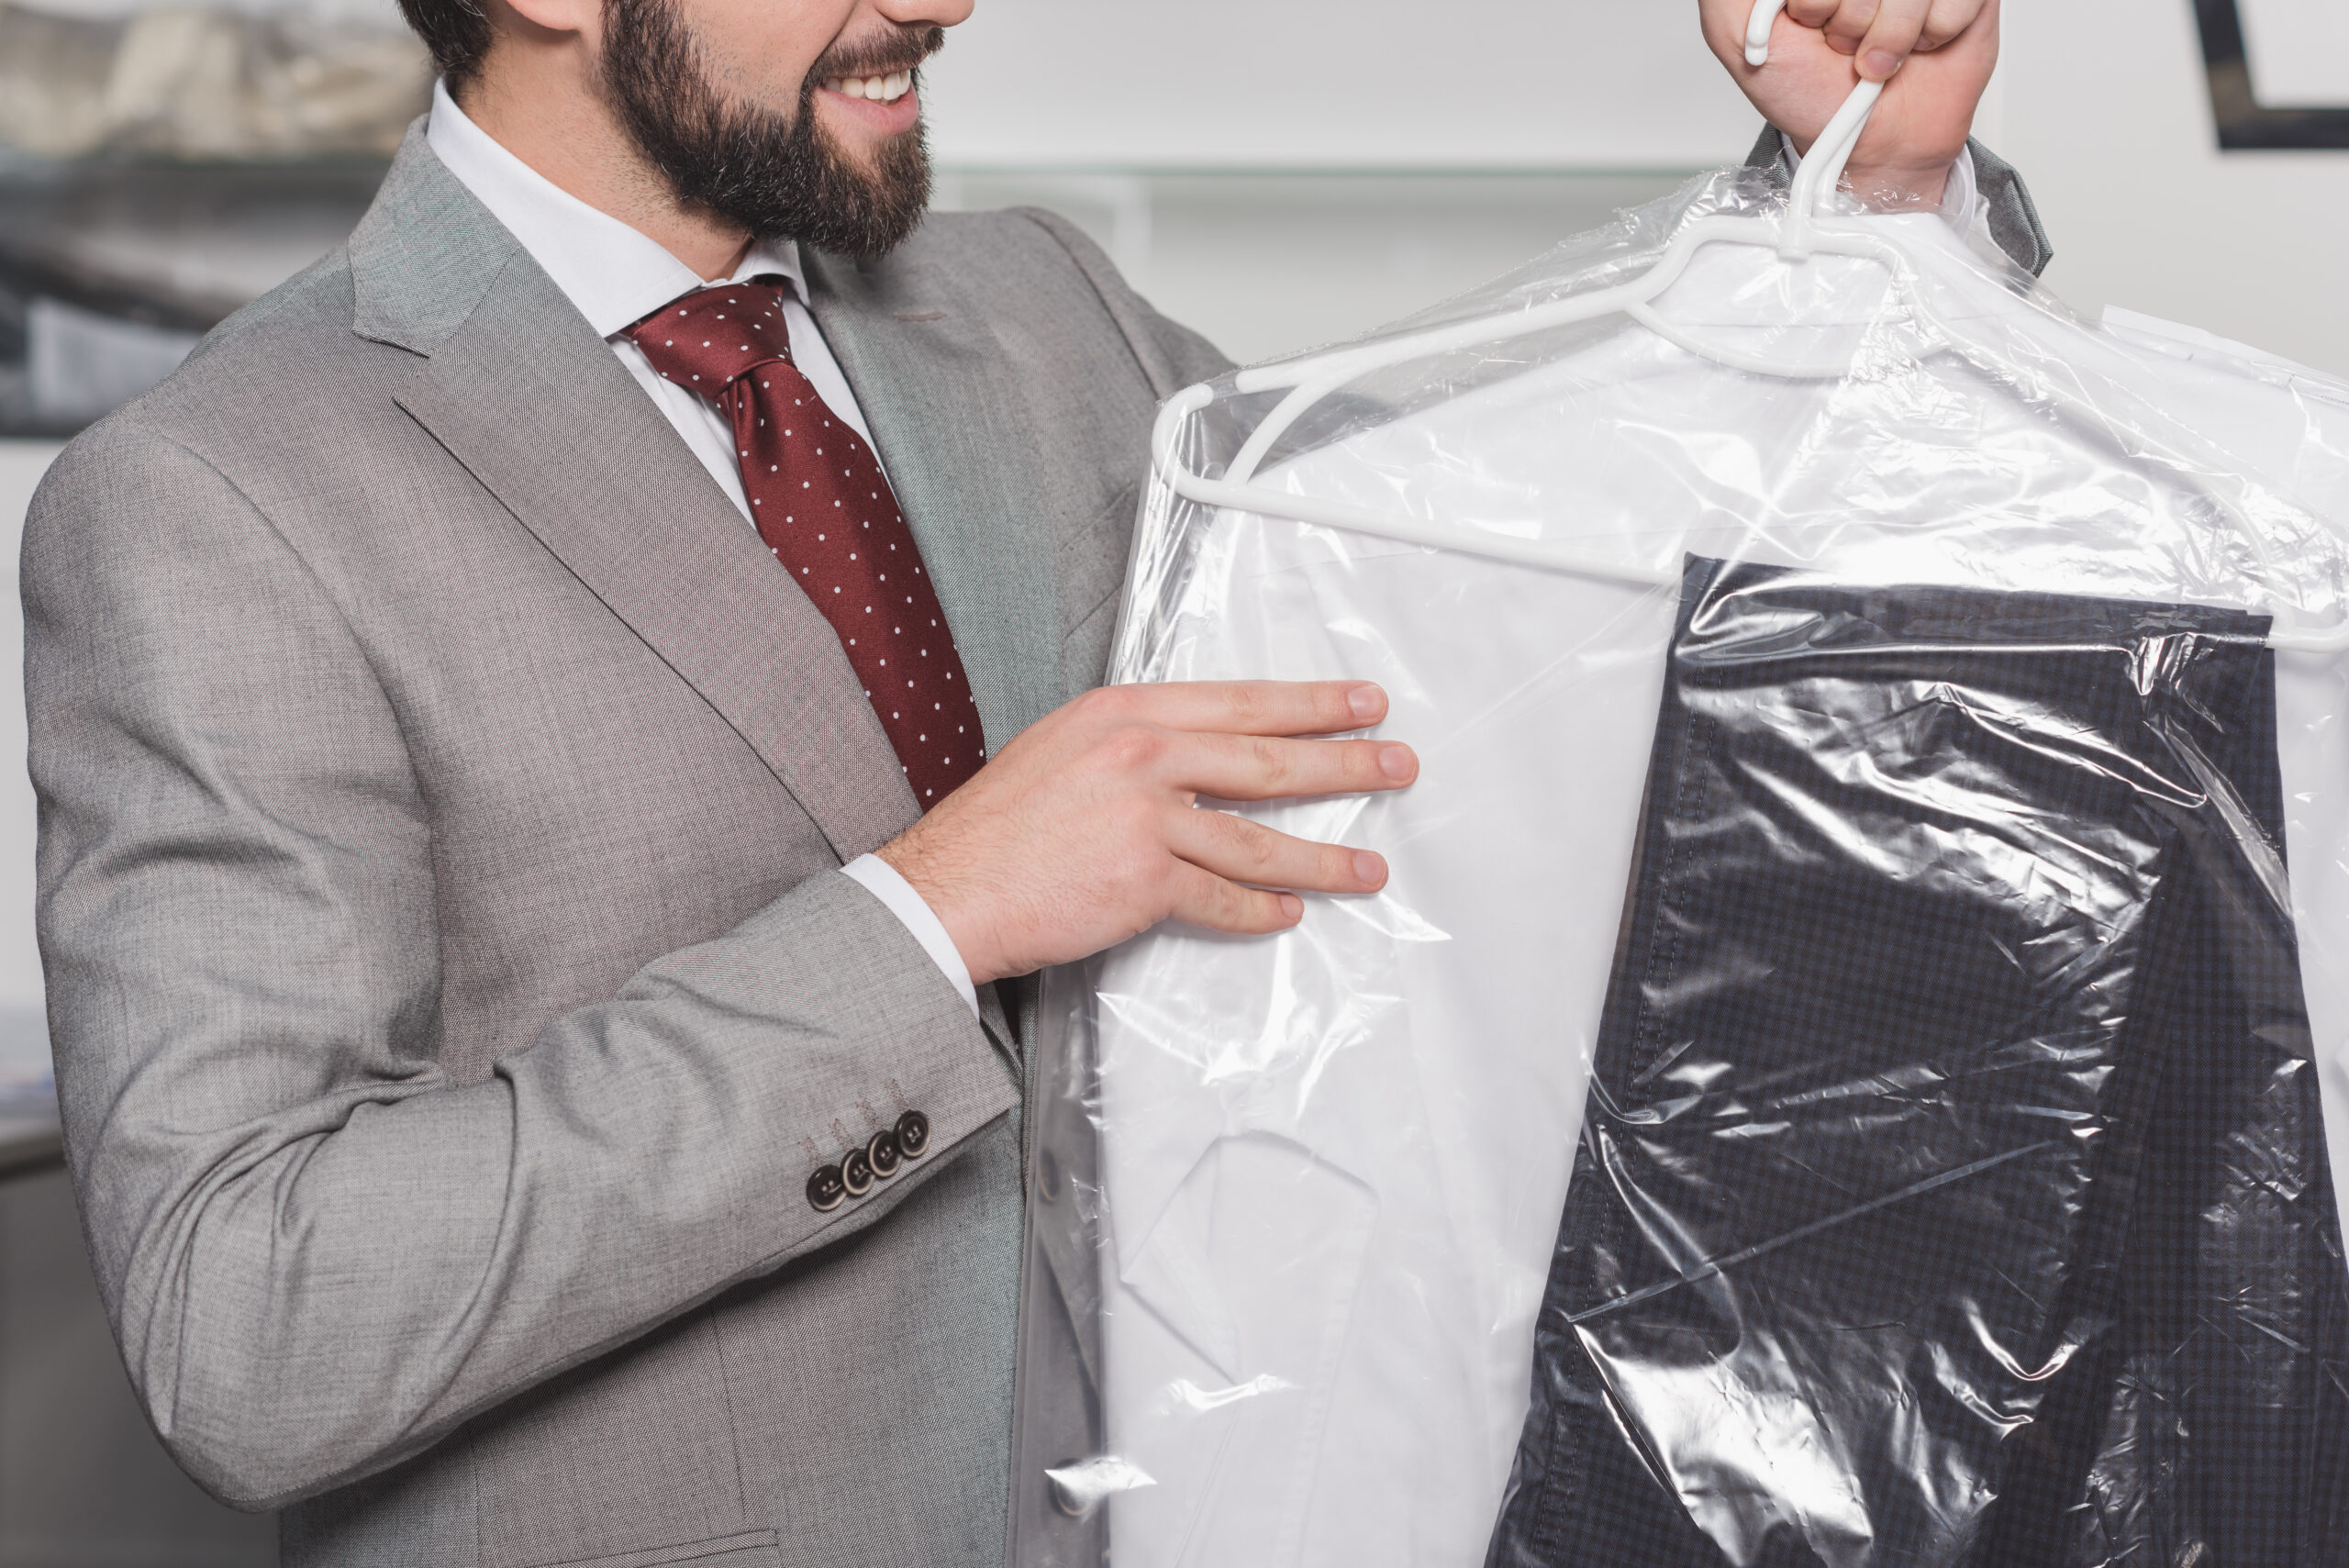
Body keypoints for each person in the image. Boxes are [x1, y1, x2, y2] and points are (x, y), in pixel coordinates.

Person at [21, 0, 2043, 1562]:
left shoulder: (1042, 312)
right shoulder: (215, 497)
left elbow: (1492, 590)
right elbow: (249, 1318)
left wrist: (1856, 195)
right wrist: (929, 920)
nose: (947, 1)